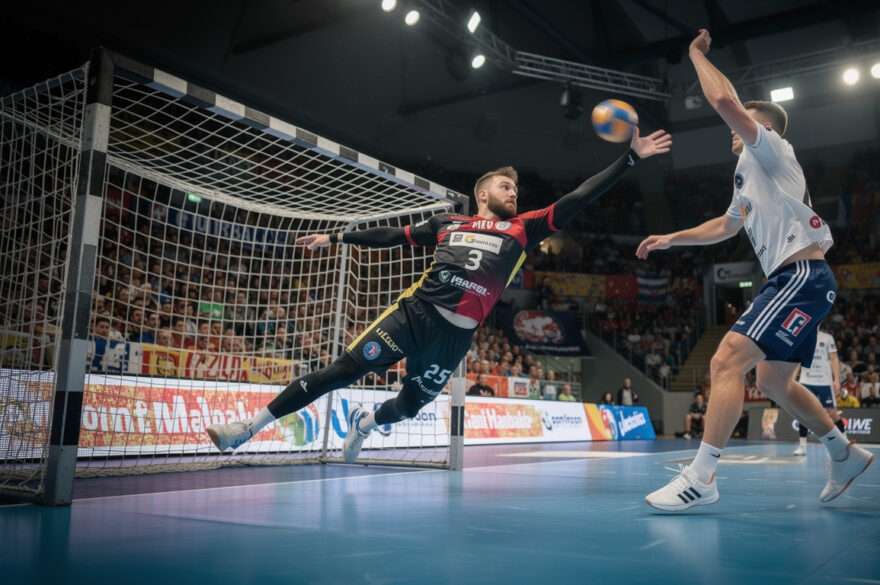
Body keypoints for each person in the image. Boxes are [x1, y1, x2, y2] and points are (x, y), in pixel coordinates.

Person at [205, 127, 672, 458]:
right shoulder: (449, 223)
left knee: (408, 407)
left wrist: (629, 158)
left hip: (453, 340)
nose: (515, 192)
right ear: (483, 194)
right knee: (340, 371)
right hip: (415, 315)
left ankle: (364, 426)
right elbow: (393, 235)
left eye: (516, 187)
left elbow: (580, 197)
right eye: (506, 186)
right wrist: (336, 238)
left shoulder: (523, 228)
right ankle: (245, 429)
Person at [637, 29, 871, 512]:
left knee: (724, 361)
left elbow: (723, 98)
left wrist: (694, 54)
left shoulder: (771, 150)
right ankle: (842, 453)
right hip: (800, 280)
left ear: (767, 128)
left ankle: (701, 477)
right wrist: (672, 238)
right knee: (771, 382)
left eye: (748, 121)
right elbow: (725, 225)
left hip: (799, 276)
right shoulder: (749, 173)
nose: (734, 129)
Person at [791, 326, 844, 456]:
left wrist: (837, 379)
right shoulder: (802, 337)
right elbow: (798, 361)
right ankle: (802, 447)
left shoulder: (827, 338)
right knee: (803, 413)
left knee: (832, 413)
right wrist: (792, 379)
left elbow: (834, 358)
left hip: (824, 381)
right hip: (806, 380)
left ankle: (844, 443)